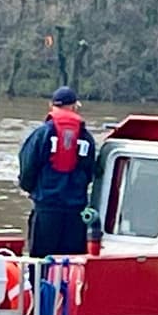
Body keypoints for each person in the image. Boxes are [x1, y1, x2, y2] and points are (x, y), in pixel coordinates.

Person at [18, 86, 97, 258]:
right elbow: (90, 172)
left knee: (41, 262)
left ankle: (40, 285)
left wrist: (31, 189)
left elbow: (27, 168)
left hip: (46, 209)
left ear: (51, 106)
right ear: (74, 107)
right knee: (71, 264)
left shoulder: (41, 134)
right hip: (75, 214)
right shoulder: (86, 138)